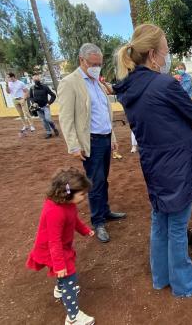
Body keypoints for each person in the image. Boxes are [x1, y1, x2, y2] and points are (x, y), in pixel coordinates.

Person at [114, 24, 192, 298]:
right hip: (178, 165)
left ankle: (161, 278)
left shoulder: (127, 88)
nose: (167, 57)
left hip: (153, 164)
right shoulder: (165, 84)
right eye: (165, 52)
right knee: (177, 226)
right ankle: (184, 285)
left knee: (160, 222)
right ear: (153, 55)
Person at [58, 43, 126, 243]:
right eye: (93, 63)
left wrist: (112, 138)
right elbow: (66, 118)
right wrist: (73, 145)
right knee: (95, 183)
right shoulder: (70, 83)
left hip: (105, 138)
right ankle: (98, 221)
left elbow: (104, 113)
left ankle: (104, 212)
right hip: (91, 142)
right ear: (82, 61)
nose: (97, 67)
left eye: (99, 64)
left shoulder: (97, 82)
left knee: (103, 179)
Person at [26, 168, 95, 325]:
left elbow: (74, 220)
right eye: (82, 194)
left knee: (64, 276)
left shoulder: (68, 204)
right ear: (68, 193)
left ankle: (59, 290)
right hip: (53, 250)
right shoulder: (55, 212)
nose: (85, 197)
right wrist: (59, 263)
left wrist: (85, 231)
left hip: (60, 247)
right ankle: (73, 317)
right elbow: (54, 240)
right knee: (68, 276)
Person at [30, 73, 59, 139]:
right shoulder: (32, 88)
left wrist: (49, 103)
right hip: (38, 108)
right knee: (43, 121)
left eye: (37, 78)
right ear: (33, 80)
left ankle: (54, 128)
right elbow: (31, 97)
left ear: (39, 79)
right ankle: (49, 133)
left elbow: (53, 95)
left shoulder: (45, 87)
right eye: (34, 79)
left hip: (45, 107)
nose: (36, 80)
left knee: (48, 119)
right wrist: (34, 103)